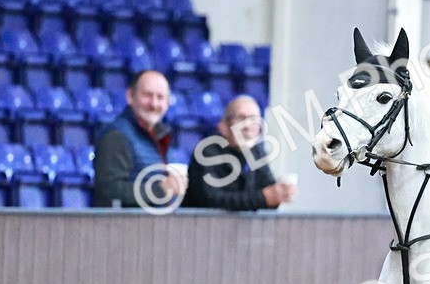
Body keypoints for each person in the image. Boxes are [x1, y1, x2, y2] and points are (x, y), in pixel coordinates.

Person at [183, 95, 295, 210]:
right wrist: (263, 198)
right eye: (241, 118)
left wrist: (279, 194)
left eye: (253, 119)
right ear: (223, 127)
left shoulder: (257, 153)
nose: (248, 126)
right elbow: (211, 200)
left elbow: (268, 194)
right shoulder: (206, 153)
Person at [93, 70, 186, 208]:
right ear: (130, 96)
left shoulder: (162, 136)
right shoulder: (115, 137)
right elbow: (110, 191)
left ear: (167, 103)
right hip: (129, 222)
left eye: (160, 97)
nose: (154, 104)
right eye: (148, 95)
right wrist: (161, 189)